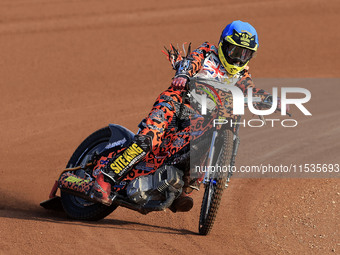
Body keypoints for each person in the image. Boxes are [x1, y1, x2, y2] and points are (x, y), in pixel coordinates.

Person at [93, 20, 267, 211]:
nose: (238, 59)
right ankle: (106, 177)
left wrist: (270, 102)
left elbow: (251, 91)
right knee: (149, 140)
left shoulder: (242, 76)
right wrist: (183, 75)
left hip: (200, 119)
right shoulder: (208, 52)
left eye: (245, 54)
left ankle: (183, 188)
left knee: (205, 143)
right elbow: (191, 62)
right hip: (176, 103)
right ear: (224, 45)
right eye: (235, 51)